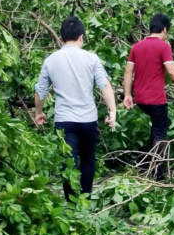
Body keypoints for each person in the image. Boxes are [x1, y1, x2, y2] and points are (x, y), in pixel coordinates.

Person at [34, 16, 116, 199]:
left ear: (62, 38)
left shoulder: (51, 60)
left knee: (67, 162)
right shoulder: (91, 58)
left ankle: (70, 203)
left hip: (64, 120)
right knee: (88, 160)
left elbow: (40, 91)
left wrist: (38, 112)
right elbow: (105, 86)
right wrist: (112, 111)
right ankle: (85, 198)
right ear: (81, 36)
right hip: (88, 119)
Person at [122, 12, 174, 180]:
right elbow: (171, 70)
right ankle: (158, 174)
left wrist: (127, 94)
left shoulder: (136, 47)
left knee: (155, 129)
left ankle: (146, 163)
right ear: (165, 29)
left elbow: (128, 71)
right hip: (156, 100)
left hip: (140, 100)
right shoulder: (163, 46)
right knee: (160, 133)